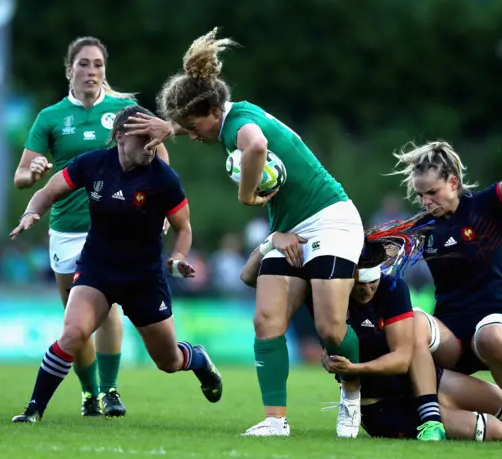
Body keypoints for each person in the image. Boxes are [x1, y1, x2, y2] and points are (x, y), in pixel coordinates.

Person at [126, 28, 364, 437]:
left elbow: (253, 146)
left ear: (213, 111)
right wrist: (171, 128)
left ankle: (352, 394)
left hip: (330, 219)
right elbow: (214, 130)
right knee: (265, 319)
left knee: (330, 330)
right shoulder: (224, 119)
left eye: (191, 125)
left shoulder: (241, 123)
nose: (192, 134)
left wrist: (247, 195)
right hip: (289, 230)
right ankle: (276, 421)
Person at [242, 227, 502, 441]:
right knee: (494, 431)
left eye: (373, 282)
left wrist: (354, 370)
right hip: (384, 408)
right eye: (360, 284)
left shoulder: (392, 288)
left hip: (425, 381)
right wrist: (271, 240)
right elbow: (248, 276)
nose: (367, 291)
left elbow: (404, 357)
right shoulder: (327, 292)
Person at [10, 105, 222, 423]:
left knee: (168, 361)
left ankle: (197, 358)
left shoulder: (164, 178)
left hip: (143, 277)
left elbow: (184, 229)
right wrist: (31, 212)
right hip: (98, 269)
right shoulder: (93, 164)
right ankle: (33, 410)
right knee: (73, 333)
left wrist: (177, 259)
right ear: (121, 137)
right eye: (144, 139)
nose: (151, 146)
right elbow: (49, 191)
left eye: (155, 138)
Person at [388, 84, 502, 443]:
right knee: (415, 321)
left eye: (432, 192)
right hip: (453, 337)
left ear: (453, 182)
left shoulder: (486, 207)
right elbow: (376, 253)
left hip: (494, 322)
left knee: (493, 337)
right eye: (420, 194)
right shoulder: (420, 227)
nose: (425, 201)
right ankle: (431, 420)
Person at [13, 37, 165, 417]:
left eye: (98, 64)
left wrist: (162, 209)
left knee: (109, 309)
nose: (92, 71)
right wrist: (31, 174)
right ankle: (89, 394)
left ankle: (110, 390)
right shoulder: (50, 118)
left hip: (116, 229)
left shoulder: (124, 111)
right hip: (66, 228)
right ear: (70, 70)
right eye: (83, 64)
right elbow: (20, 176)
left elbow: (160, 158)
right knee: (76, 321)